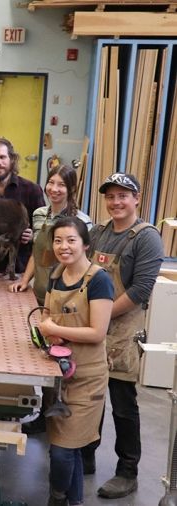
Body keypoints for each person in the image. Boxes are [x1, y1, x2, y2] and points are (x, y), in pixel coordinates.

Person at [81, 172, 164, 499]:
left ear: (137, 198)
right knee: (89, 395)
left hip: (122, 330)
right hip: (92, 324)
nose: (116, 202)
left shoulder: (146, 237)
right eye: (111, 196)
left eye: (123, 196)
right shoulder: (98, 232)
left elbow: (142, 289)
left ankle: (127, 471)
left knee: (121, 402)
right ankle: (86, 455)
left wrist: (101, 316)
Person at [39, 217, 114, 506]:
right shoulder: (56, 274)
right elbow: (46, 313)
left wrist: (56, 330)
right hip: (59, 375)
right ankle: (75, 501)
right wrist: (48, 331)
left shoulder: (99, 280)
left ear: (85, 244)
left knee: (62, 450)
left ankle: (56, 499)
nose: (63, 246)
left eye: (71, 240)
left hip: (87, 378)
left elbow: (97, 332)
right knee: (67, 446)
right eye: (58, 240)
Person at [10, 165, 93, 305]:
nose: (54, 189)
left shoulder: (82, 221)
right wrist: (24, 281)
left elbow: (86, 262)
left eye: (61, 185)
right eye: (51, 182)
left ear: (72, 189)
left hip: (66, 296)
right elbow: (37, 253)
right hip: (39, 291)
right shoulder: (39, 214)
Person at [0, 137, 45, 273]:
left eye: (2, 157)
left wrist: (32, 236)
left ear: (11, 159)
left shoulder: (31, 190)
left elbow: (45, 230)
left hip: (21, 270)